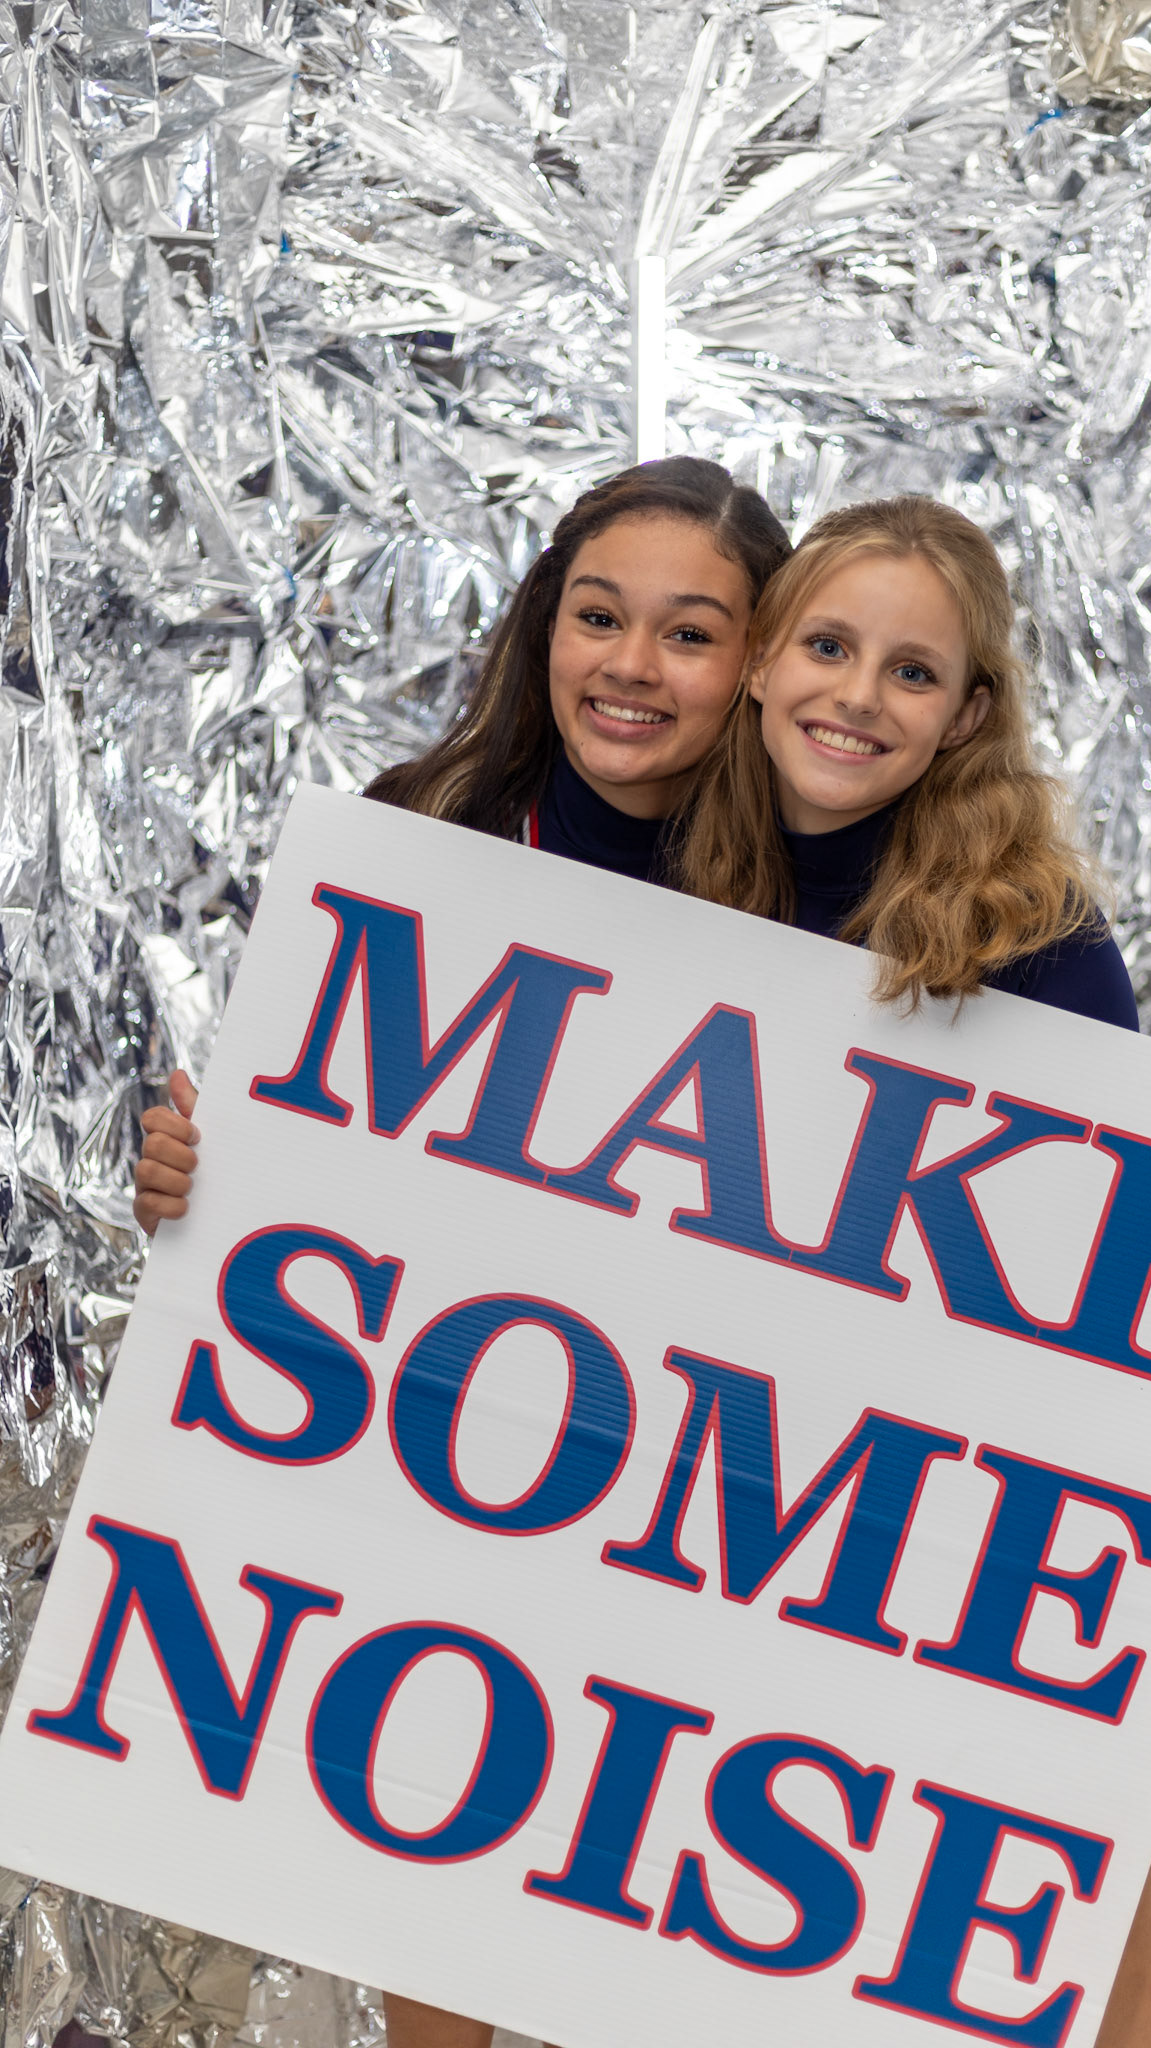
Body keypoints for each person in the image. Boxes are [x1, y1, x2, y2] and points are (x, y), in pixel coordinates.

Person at [133, 455, 791, 2048]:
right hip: (453, 1458)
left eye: (689, 634)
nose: (630, 665)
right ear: (541, 627)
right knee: (452, 1847)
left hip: (696, 1489)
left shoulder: (819, 902)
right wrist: (192, 1178)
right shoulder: (412, 836)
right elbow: (315, 1169)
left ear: (759, 666)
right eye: (597, 616)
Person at [672, 491, 1151, 2045]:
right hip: (755, 1486)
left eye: (910, 672)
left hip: (972, 1492)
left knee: (1040, 1857)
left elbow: (1137, 1271)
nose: (854, 694)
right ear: (759, 662)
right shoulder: (671, 887)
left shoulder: (1028, 940)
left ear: (965, 715)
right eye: (826, 645)